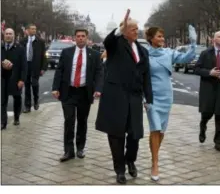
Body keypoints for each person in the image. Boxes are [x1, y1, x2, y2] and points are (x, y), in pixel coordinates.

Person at [95, 10, 153, 185]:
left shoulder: (142, 50)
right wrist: (120, 28)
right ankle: (119, 169)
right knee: (116, 135)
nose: (137, 31)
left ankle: (130, 160)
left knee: (135, 134)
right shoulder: (116, 44)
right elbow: (108, 41)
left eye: (137, 28)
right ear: (125, 30)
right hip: (116, 97)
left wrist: (148, 98)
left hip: (134, 97)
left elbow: (145, 75)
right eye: (133, 29)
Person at [144, 24, 197, 181]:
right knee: (155, 128)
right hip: (152, 97)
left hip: (166, 95)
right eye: (159, 36)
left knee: (161, 131)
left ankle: (155, 155)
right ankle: (155, 163)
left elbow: (186, 58)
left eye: (162, 36)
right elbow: (139, 76)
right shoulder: (144, 54)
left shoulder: (168, 53)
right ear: (151, 39)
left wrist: (193, 43)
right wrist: (143, 97)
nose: (162, 39)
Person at [51, 29, 104, 162]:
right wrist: (55, 88)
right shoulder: (66, 53)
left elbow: (99, 73)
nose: (80, 38)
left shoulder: (95, 54)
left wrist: (98, 89)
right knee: (69, 121)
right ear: (75, 38)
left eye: (83, 36)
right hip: (68, 92)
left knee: (82, 121)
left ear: (87, 38)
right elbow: (59, 71)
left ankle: (80, 148)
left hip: (84, 92)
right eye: (78, 36)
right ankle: (68, 151)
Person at [1, 28, 27, 130]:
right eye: (6, 34)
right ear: (4, 35)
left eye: (10, 34)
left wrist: (22, 80)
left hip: (15, 79)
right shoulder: (1, 47)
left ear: (14, 35)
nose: (8, 36)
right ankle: (3, 122)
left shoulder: (20, 48)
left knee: (17, 98)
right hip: (3, 78)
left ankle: (16, 117)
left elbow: (24, 66)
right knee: (2, 101)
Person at [20, 23, 47, 113]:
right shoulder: (22, 41)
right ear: (27, 30)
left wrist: (43, 68)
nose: (34, 30)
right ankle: (27, 106)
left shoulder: (40, 41)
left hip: (36, 65)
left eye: (35, 29)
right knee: (27, 85)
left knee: (34, 84)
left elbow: (44, 55)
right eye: (32, 29)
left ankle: (36, 100)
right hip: (26, 65)